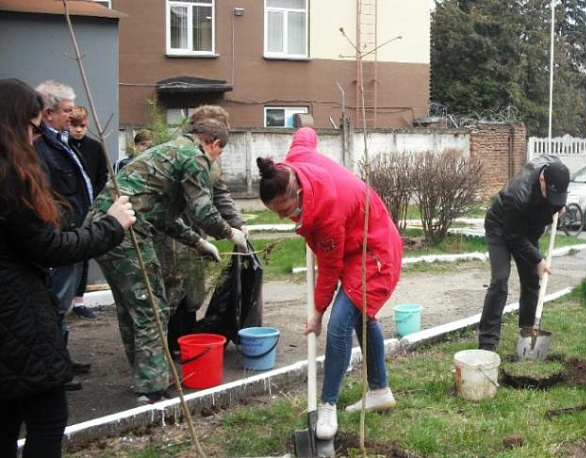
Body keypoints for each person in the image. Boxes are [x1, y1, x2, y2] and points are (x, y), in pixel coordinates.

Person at [0, 77, 136, 458]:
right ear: (12, 125)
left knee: (6, 420)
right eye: (32, 129)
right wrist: (111, 226)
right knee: (47, 418)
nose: (35, 139)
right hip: (15, 315)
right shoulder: (10, 177)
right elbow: (47, 247)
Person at [84, 117, 248, 405]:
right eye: (219, 152)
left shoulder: (170, 151)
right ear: (213, 144)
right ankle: (152, 388)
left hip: (102, 227)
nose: (216, 159)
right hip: (127, 233)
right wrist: (230, 233)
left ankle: (146, 375)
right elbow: (203, 211)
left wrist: (198, 242)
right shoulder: (194, 156)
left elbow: (162, 216)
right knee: (152, 306)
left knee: (130, 306)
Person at [257, 127, 403, 440]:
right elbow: (305, 135)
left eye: (285, 210)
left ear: (298, 191)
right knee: (362, 317)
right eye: (277, 213)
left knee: (339, 324)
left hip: (375, 253)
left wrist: (317, 314)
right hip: (356, 245)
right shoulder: (295, 160)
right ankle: (380, 390)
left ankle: (328, 405)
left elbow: (330, 269)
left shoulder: (326, 215)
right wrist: (305, 126)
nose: (283, 217)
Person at [162, 105, 248, 354]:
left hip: (196, 230)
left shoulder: (212, 161)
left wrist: (238, 222)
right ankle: (167, 344)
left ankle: (186, 339)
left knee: (193, 289)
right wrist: (228, 232)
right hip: (171, 229)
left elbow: (220, 194)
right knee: (173, 286)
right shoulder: (183, 152)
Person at [33, 80, 95, 387]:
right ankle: (55, 368)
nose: (72, 116)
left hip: (74, 234)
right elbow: (47, 195)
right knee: (55, 303)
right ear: (49, 113)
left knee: (63, 302)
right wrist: (66, 228)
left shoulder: (61, 141)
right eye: (67, 111)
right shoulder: (40, 147)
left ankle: (61, 359)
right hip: (62, 236)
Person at [477, 160, 570, 351]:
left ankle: (527, 333)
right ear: (542, 180)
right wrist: (538, 259)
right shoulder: (518, 194)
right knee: (500, 280)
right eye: (551, 194)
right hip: (501, 230)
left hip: (527, 231)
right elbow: (514, 237)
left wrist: (559, 206)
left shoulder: (556, 174)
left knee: (531, 281)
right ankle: (487, 342)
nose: (553, 199)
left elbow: (556, 199)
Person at [69, 105, 109, 320]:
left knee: (84, 253)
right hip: (67, 208)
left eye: (82, 126)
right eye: (74, 125)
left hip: (88, 207)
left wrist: (96, 201)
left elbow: (103, 176)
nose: (78, 130)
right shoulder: (62, 146)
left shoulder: (95, 147)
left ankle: (79, 301)